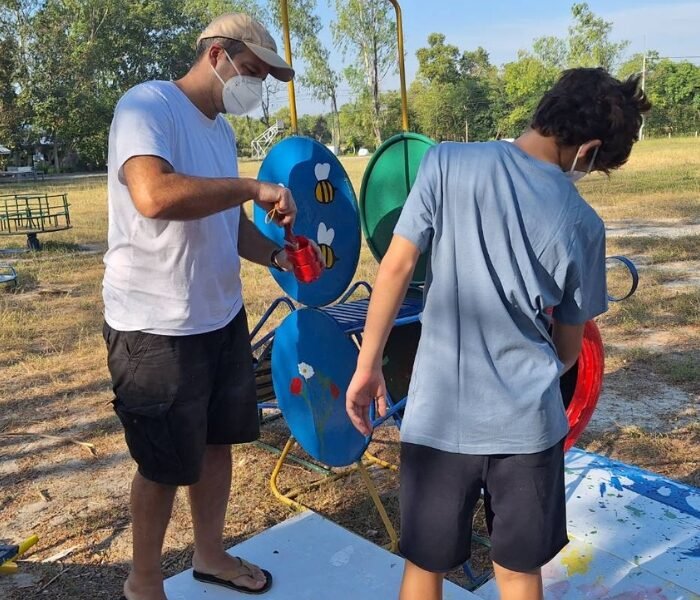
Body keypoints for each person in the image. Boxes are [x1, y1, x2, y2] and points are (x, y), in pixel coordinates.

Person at [346, 68, 650, 600]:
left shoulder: (445, 161)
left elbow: (394, 268)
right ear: (589, 150)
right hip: (527, 428)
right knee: (518, 573)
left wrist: (367, 364)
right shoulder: (583, 223)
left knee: (423, 569)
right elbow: (569, 345)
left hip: (437, 417)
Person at [102, 13, 316, 600]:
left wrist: (278, 257)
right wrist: (251, 186)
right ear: (218, 54)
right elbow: (153, 195)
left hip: (219, 317)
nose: (257, 86)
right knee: (164, 463)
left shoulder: (220, 131)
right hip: (155, 326)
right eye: (252, 71)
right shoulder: (147, 107)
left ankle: (210, 554)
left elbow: (231, 227)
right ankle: (143, 582)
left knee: (218, 442)